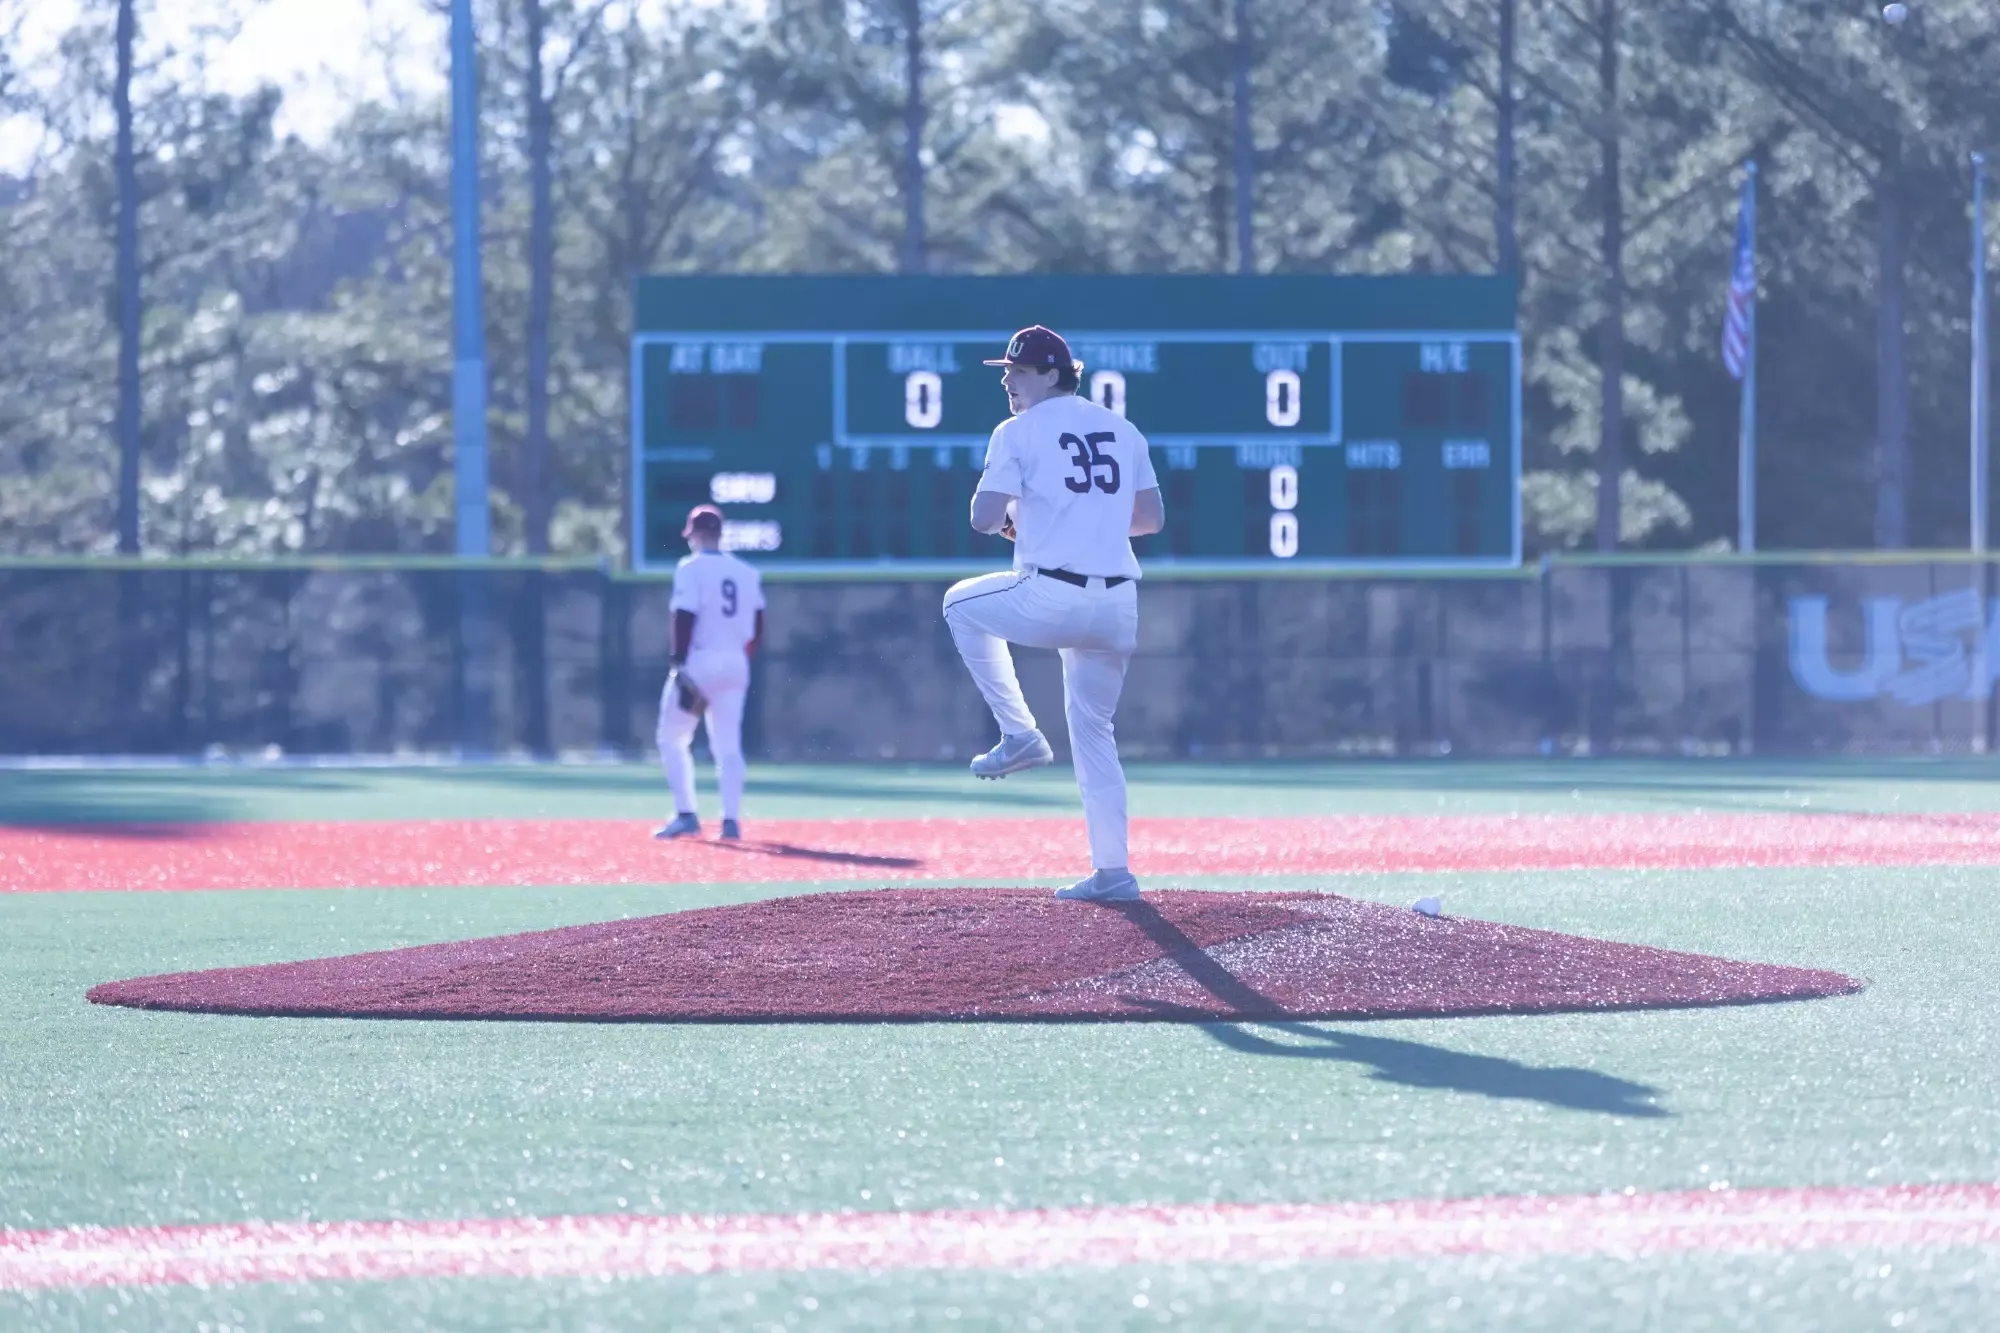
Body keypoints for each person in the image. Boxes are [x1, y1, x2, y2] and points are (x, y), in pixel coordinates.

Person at [942, 326, 1166, 903]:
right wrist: (1080, 521)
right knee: (1095, 734)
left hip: (1053, 597)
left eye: (1017, 370)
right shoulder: (1123, 428)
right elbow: (1150, 519)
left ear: (1049, 374)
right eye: (1006, 370)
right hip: (1118, 605)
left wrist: (1023, 517)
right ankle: (1114, 874)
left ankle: (1019, 734)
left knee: (959, 605)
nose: (1007, 379)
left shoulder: (1016, 431)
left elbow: (983, 519)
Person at [655, 504, 765, 841]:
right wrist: (737, 658)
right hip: (735, 663)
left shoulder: (691, 568)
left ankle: (687, 813)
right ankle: (730, 821)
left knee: (671, 738)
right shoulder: (747, 572)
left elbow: (684, 616)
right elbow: (758, 627)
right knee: (728, 745)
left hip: (701, 661)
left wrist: (678, 661)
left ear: (697, 535)